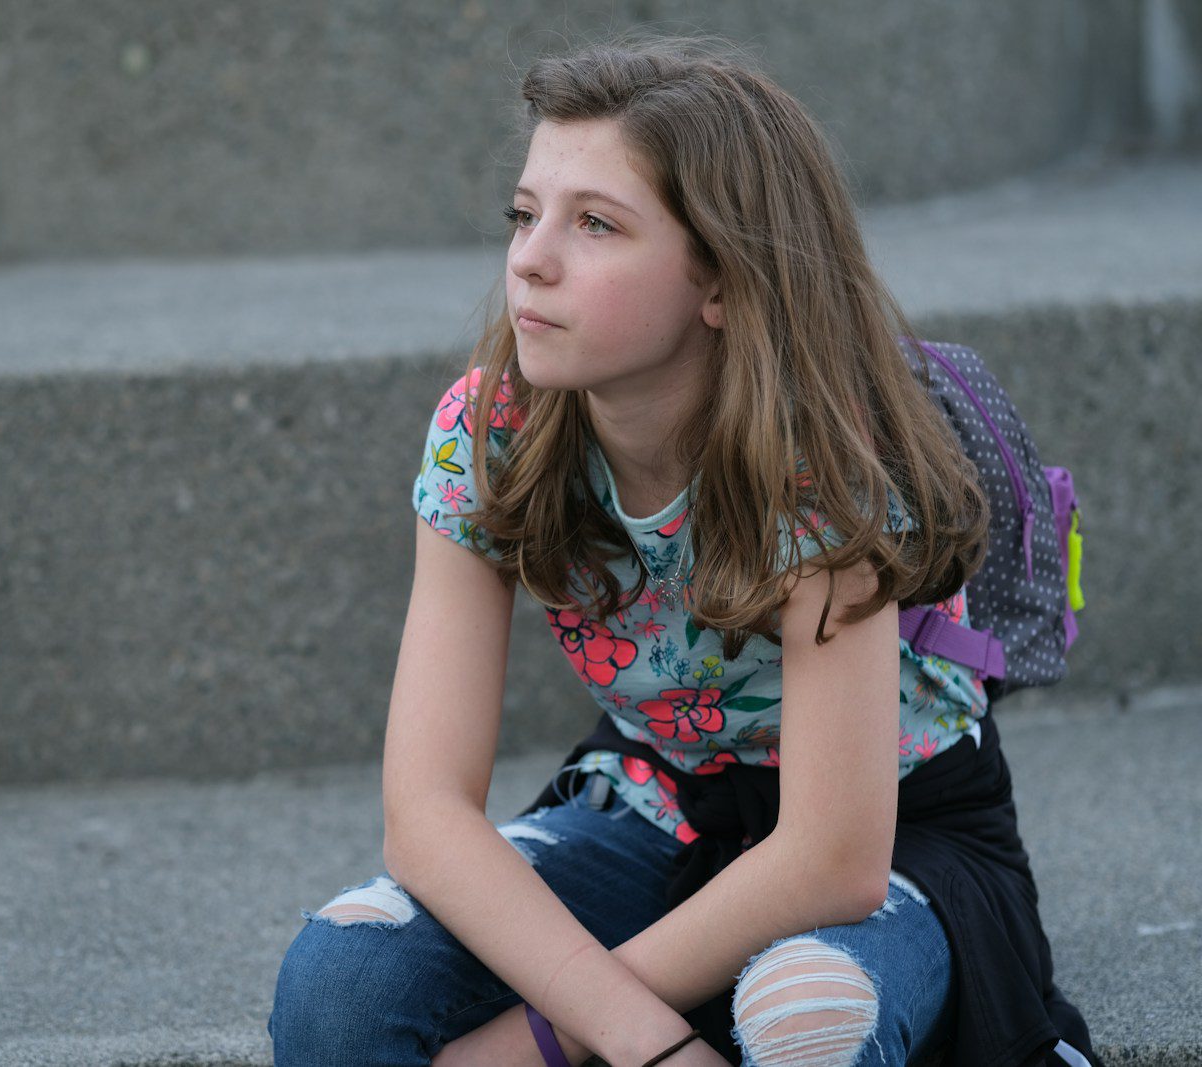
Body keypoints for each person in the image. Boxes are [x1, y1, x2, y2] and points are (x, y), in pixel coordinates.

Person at [269, 31, 1101, 1067]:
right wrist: (639, 1036)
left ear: (720, 279)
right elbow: (427, 813)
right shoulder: (491, 431)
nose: (530, 257)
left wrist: (531, 1042)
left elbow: (832, 860)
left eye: (596, 225)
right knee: (340, 980)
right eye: (524, 215)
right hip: (658, 798)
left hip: (892, 832)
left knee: (809, 1015)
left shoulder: (823, 457)